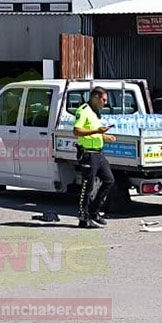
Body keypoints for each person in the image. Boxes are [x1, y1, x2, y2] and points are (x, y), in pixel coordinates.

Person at [74, 87, 117, 229]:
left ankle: (93, 212)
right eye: (103, 100)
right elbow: (77, 131)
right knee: (88, 186)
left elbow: (96, 132)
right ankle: (83, 217)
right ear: (95, 97)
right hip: (88, 153)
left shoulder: (95, 113)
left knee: (109, 180)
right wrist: (97, 131)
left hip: (98, 153)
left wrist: (105, 136)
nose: (105, 103)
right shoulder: (83, 110)